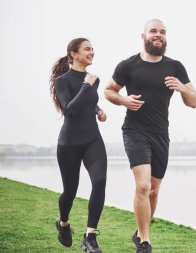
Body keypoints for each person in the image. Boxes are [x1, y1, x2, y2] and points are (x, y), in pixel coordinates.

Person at [104, 19, 196, 253]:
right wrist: (124, 100)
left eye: (163, 32)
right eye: (154, 31)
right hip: (135, 131)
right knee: (144, 186)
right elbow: (108, 91)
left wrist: (182, 87)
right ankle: (145, 241)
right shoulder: (128, 65)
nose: (159, 35)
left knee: (154, 190)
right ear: (143, 36)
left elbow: (194, 101)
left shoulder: (175, 67)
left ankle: (139, 231)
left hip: (160, 133)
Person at [49, 38, 107, 253]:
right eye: (87, 49)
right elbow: (70, 110)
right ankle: (63, 222)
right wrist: (86, 85)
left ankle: (90, 237)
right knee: (70, 192)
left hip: (93, 139)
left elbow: (89, 101)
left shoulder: (93, 79)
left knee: (99, 181)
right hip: (69, 144)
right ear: (74, 54)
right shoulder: (63, 81)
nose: (92, 52)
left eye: (93, 48)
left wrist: (98, 110)